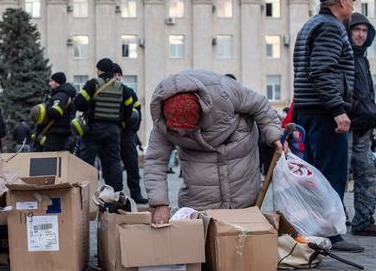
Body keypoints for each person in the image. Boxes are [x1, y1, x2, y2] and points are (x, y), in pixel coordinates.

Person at [146, 70, 283, 224]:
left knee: (242, 223)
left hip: (238, 155)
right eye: (176, 130)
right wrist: (160, 204)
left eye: (187, 129)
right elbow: (155, 161)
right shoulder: (163, 123)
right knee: (202, 231)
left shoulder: (224, 90)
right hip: (200, 194)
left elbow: (260, 104)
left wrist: (274, 135)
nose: (181, 134)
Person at [292, 0, 364, 252]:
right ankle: (330, 235)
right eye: (352, 0)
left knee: (314, 175)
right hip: (324, 113)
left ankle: (314, 231)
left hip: (308, 109)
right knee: (330, 176)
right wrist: (338, 110)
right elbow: (321, 71)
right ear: (343, 0)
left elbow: (306, 69)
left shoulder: (310, 25)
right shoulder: (332, 28)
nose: (353, 6)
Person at [346, 12, 376, 237]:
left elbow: (366, 92)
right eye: (357, 30)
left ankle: (363, 220)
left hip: (363, 127)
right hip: (345, 126)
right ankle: (331, 221)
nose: (361, 35)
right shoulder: (344, 54)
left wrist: (372, 110)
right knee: (338, 175)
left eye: (365, 31)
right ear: (349, 30)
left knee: (367, 173)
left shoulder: (362, 58)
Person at [74, 57, 134, 193]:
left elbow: (79, 104)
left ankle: (83, 193)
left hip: (93, 129)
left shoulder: (92, 84)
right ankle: (115, 194)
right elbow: (129, 109)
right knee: (113, 162)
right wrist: (121, 122)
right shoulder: (122, 88)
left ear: (99, 70)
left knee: (86, 162)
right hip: (113, 130)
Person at [112, 63, 147, 204]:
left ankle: (136, 194)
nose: (116, 78)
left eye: (118, 75)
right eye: (114, 75)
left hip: (127, 133)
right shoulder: (106, 92)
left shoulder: (129, 91)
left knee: (132, 164)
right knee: (113, 166)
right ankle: (116, 196)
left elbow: (138, 112)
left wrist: (133, 129)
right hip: (112, 133)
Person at [31, 72, 77, 152]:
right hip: (61, 133)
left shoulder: (60, 96)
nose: (49, 83)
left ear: (57, 83)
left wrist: (46, 106)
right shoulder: (64, 95)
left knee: (50, 160)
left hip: (56, 135)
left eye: (51, 81)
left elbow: (56, 111)